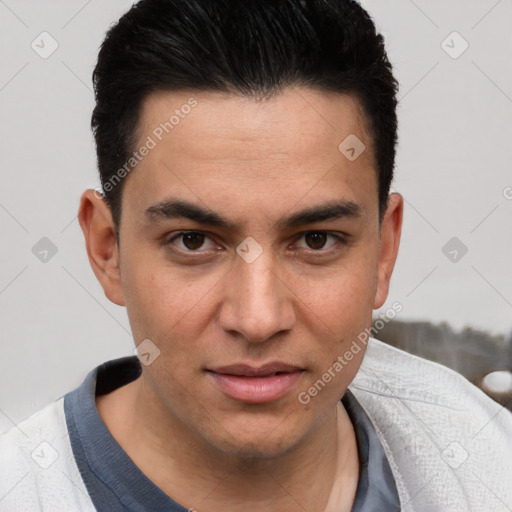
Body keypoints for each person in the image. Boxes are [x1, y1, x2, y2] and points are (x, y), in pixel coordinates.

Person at [1, 0, 511, 511]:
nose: (258, 318)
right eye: (193, 241)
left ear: (385, 251)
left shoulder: (489, 462)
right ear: (107, 249)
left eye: (316, 240)